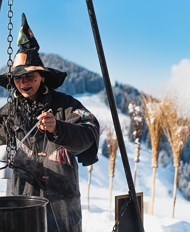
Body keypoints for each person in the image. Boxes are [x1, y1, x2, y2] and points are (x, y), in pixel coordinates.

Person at [0, 13, 99, 232]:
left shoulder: (66, 106)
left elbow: (89, 134)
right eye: (18, 78)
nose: (23, 82)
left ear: (42, 76)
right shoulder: (8, 113)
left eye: (29, 76)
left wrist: (58, 128)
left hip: (62, 208)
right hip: (21, 206)